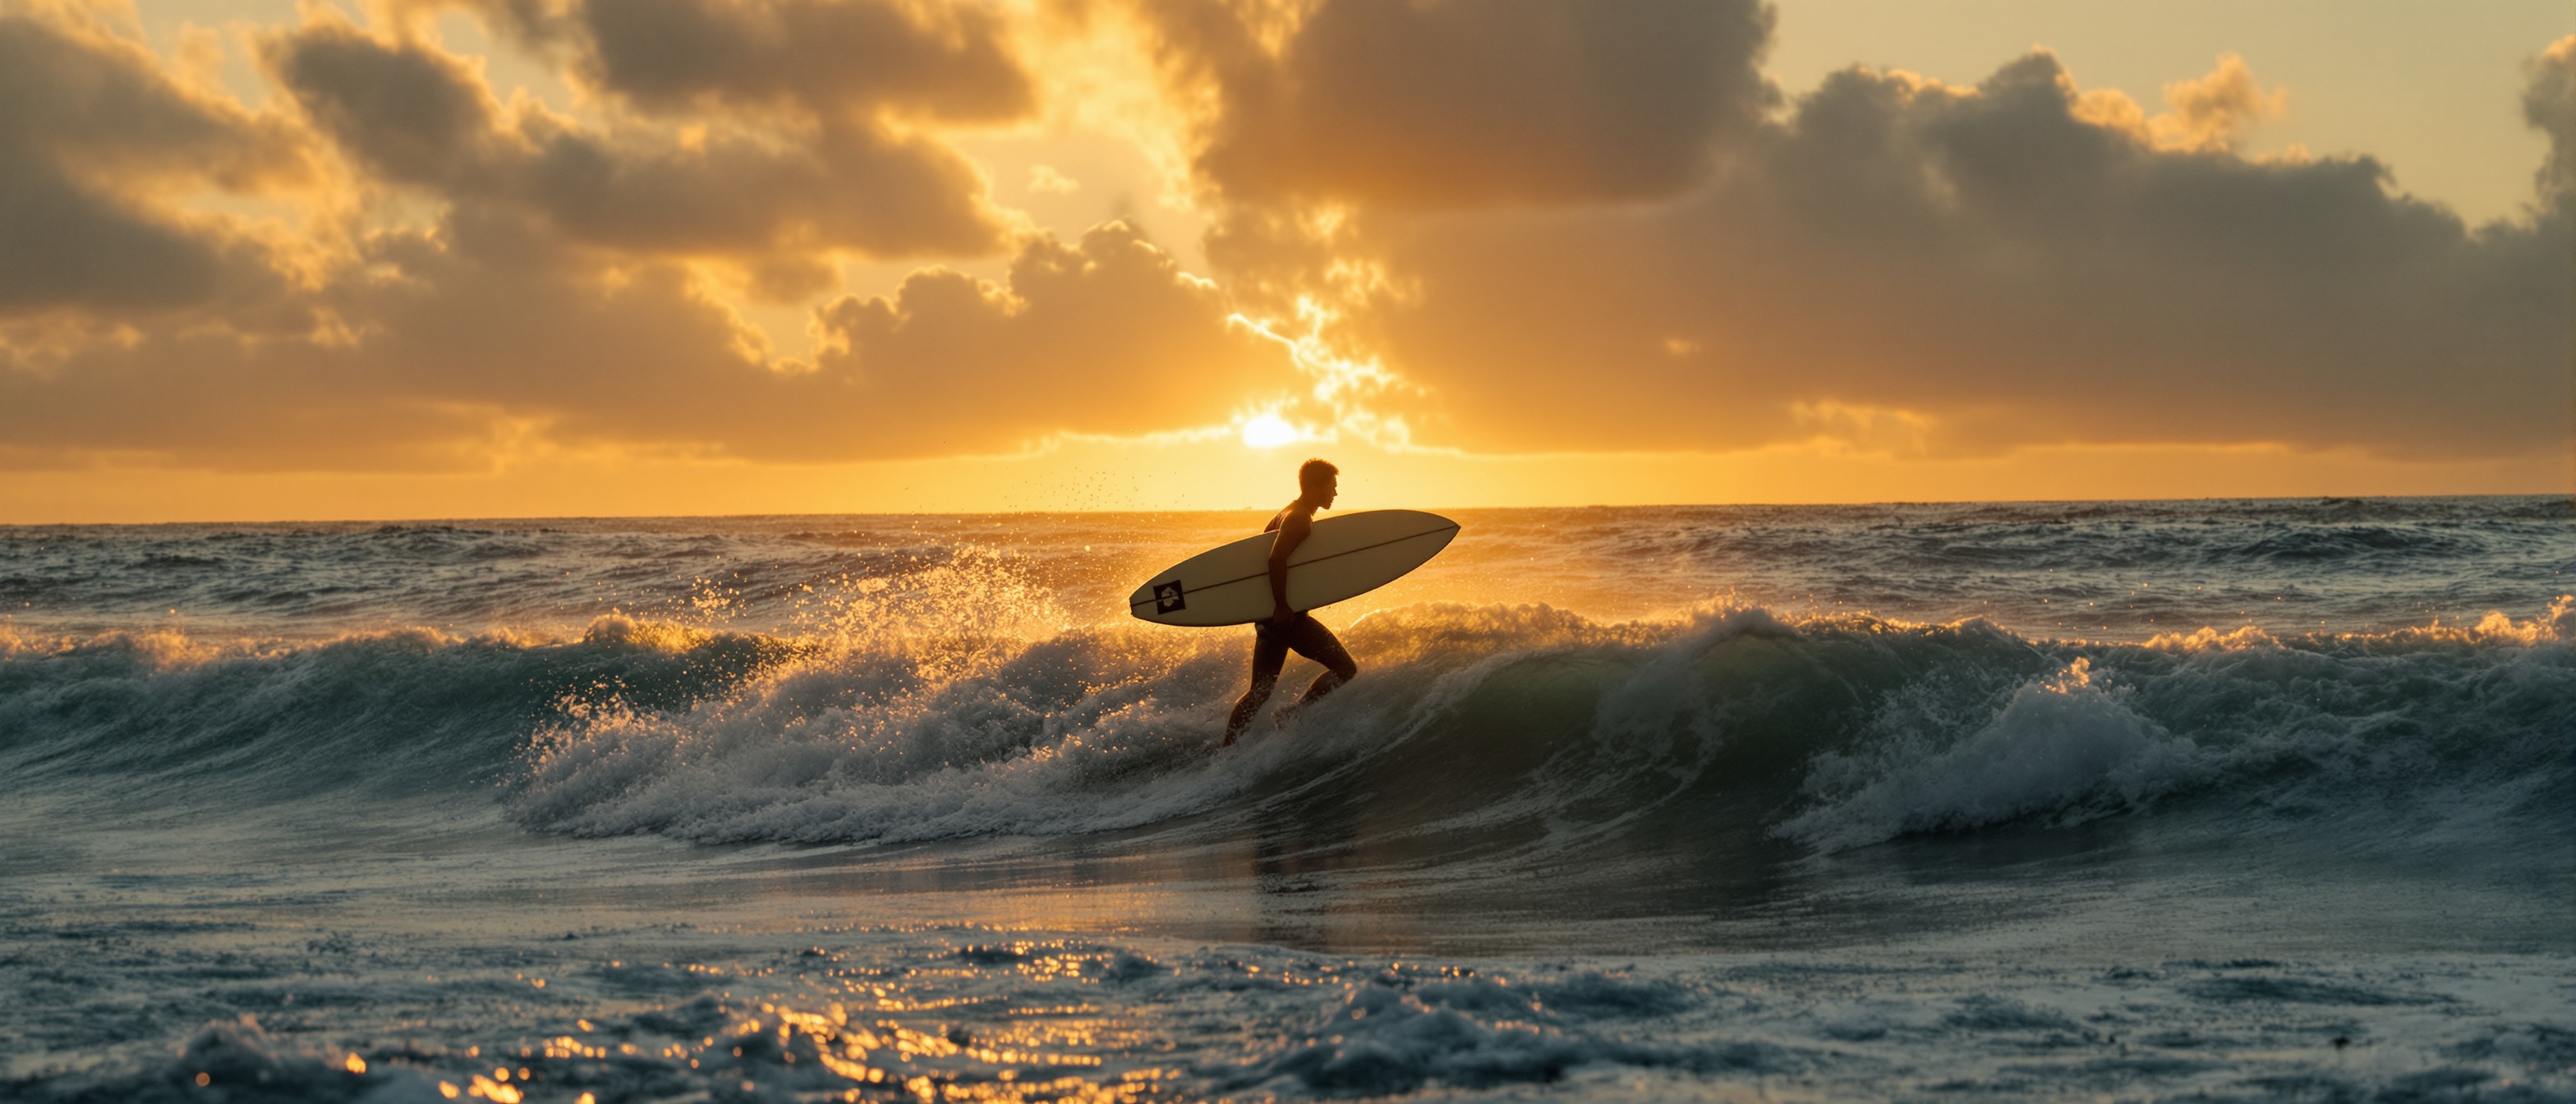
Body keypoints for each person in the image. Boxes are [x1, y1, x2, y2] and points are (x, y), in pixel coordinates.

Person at [1224, 458, 1359, 745]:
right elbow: (1275, 559)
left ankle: (1227, 748)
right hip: (1287, 618)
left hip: (1268, 618)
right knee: (1346, 669)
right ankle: (1294, 713)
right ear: (1315, 486)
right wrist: (1283, 606)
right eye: (1331, 487)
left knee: (1259, 691)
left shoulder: (1288, 512)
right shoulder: (1298, 519)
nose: (1335, 493)